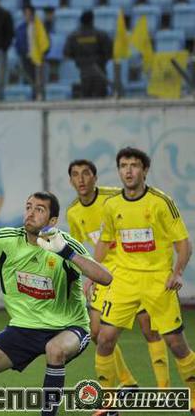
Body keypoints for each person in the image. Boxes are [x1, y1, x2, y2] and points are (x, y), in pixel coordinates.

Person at [0, 191, 112, 416]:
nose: (31, 213)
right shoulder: (8, 239)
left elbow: (105, 277)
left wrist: (66, 252)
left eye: (39, 209)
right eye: (28, 207)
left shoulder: (64, 244)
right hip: (24, 327)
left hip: (69, 327)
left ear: (53, 220)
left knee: (55, 350)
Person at [94, 147, 195, 415]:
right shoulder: (112, 205)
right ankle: (107, 403)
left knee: (177, 344)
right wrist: (92, 273)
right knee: (104, 339)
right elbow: (105, 242)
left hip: (158, 283)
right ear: (119, 171)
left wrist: (177, 273)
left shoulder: (161, 202)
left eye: (134, 165)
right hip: (124, 281)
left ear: (145, 170)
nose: (128, 171)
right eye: (123, 166)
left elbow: (184, 244)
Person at [66, 159, 171, 389]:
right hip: (102, 274)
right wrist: (86, 275)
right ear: (71, 180)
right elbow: (78, 246)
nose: (81, 179)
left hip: (131, 271)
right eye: (75, 174)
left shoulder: (113, 198)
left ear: (95, 177)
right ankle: (127, 381)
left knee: (149, 329)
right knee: (97, 333)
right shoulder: (73, 212)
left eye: (86, 173)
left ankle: (164, 389)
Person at [63, 10, 112, 98]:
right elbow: (110, 52)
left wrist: (79, 58)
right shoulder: (102, 35)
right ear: (92, 20)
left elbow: (67, 53)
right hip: (100, 71)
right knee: (100, 99)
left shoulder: (73, 36)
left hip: (83, 72)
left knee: (86, 99)